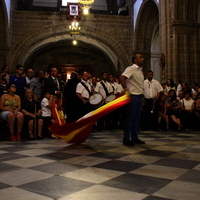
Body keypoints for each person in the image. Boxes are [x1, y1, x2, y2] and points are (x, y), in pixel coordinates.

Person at [120, 53, 145, 146]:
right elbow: (122, 77)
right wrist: (126, 89)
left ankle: (134, 137)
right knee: (130, 118)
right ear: (135, 60)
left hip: (138, 96)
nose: (143, 59)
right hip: (132, 96)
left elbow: (139, 85)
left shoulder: (140, 71)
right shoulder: (130, 69)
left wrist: (142, 97)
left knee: (137, 118)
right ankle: (126, 139)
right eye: (140, 57)